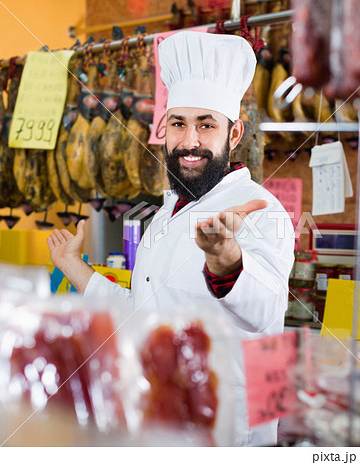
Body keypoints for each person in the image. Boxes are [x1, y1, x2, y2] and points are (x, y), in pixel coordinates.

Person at [47, 31, 295, 446]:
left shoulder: (259, 208)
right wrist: (74, 267)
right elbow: (141, 315)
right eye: (179, 124)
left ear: (234, 135)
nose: (190, 141)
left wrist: (227, 261)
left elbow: (266, 307)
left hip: (227, 435)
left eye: (206, 125)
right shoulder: (167, 212)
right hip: (159, 422)